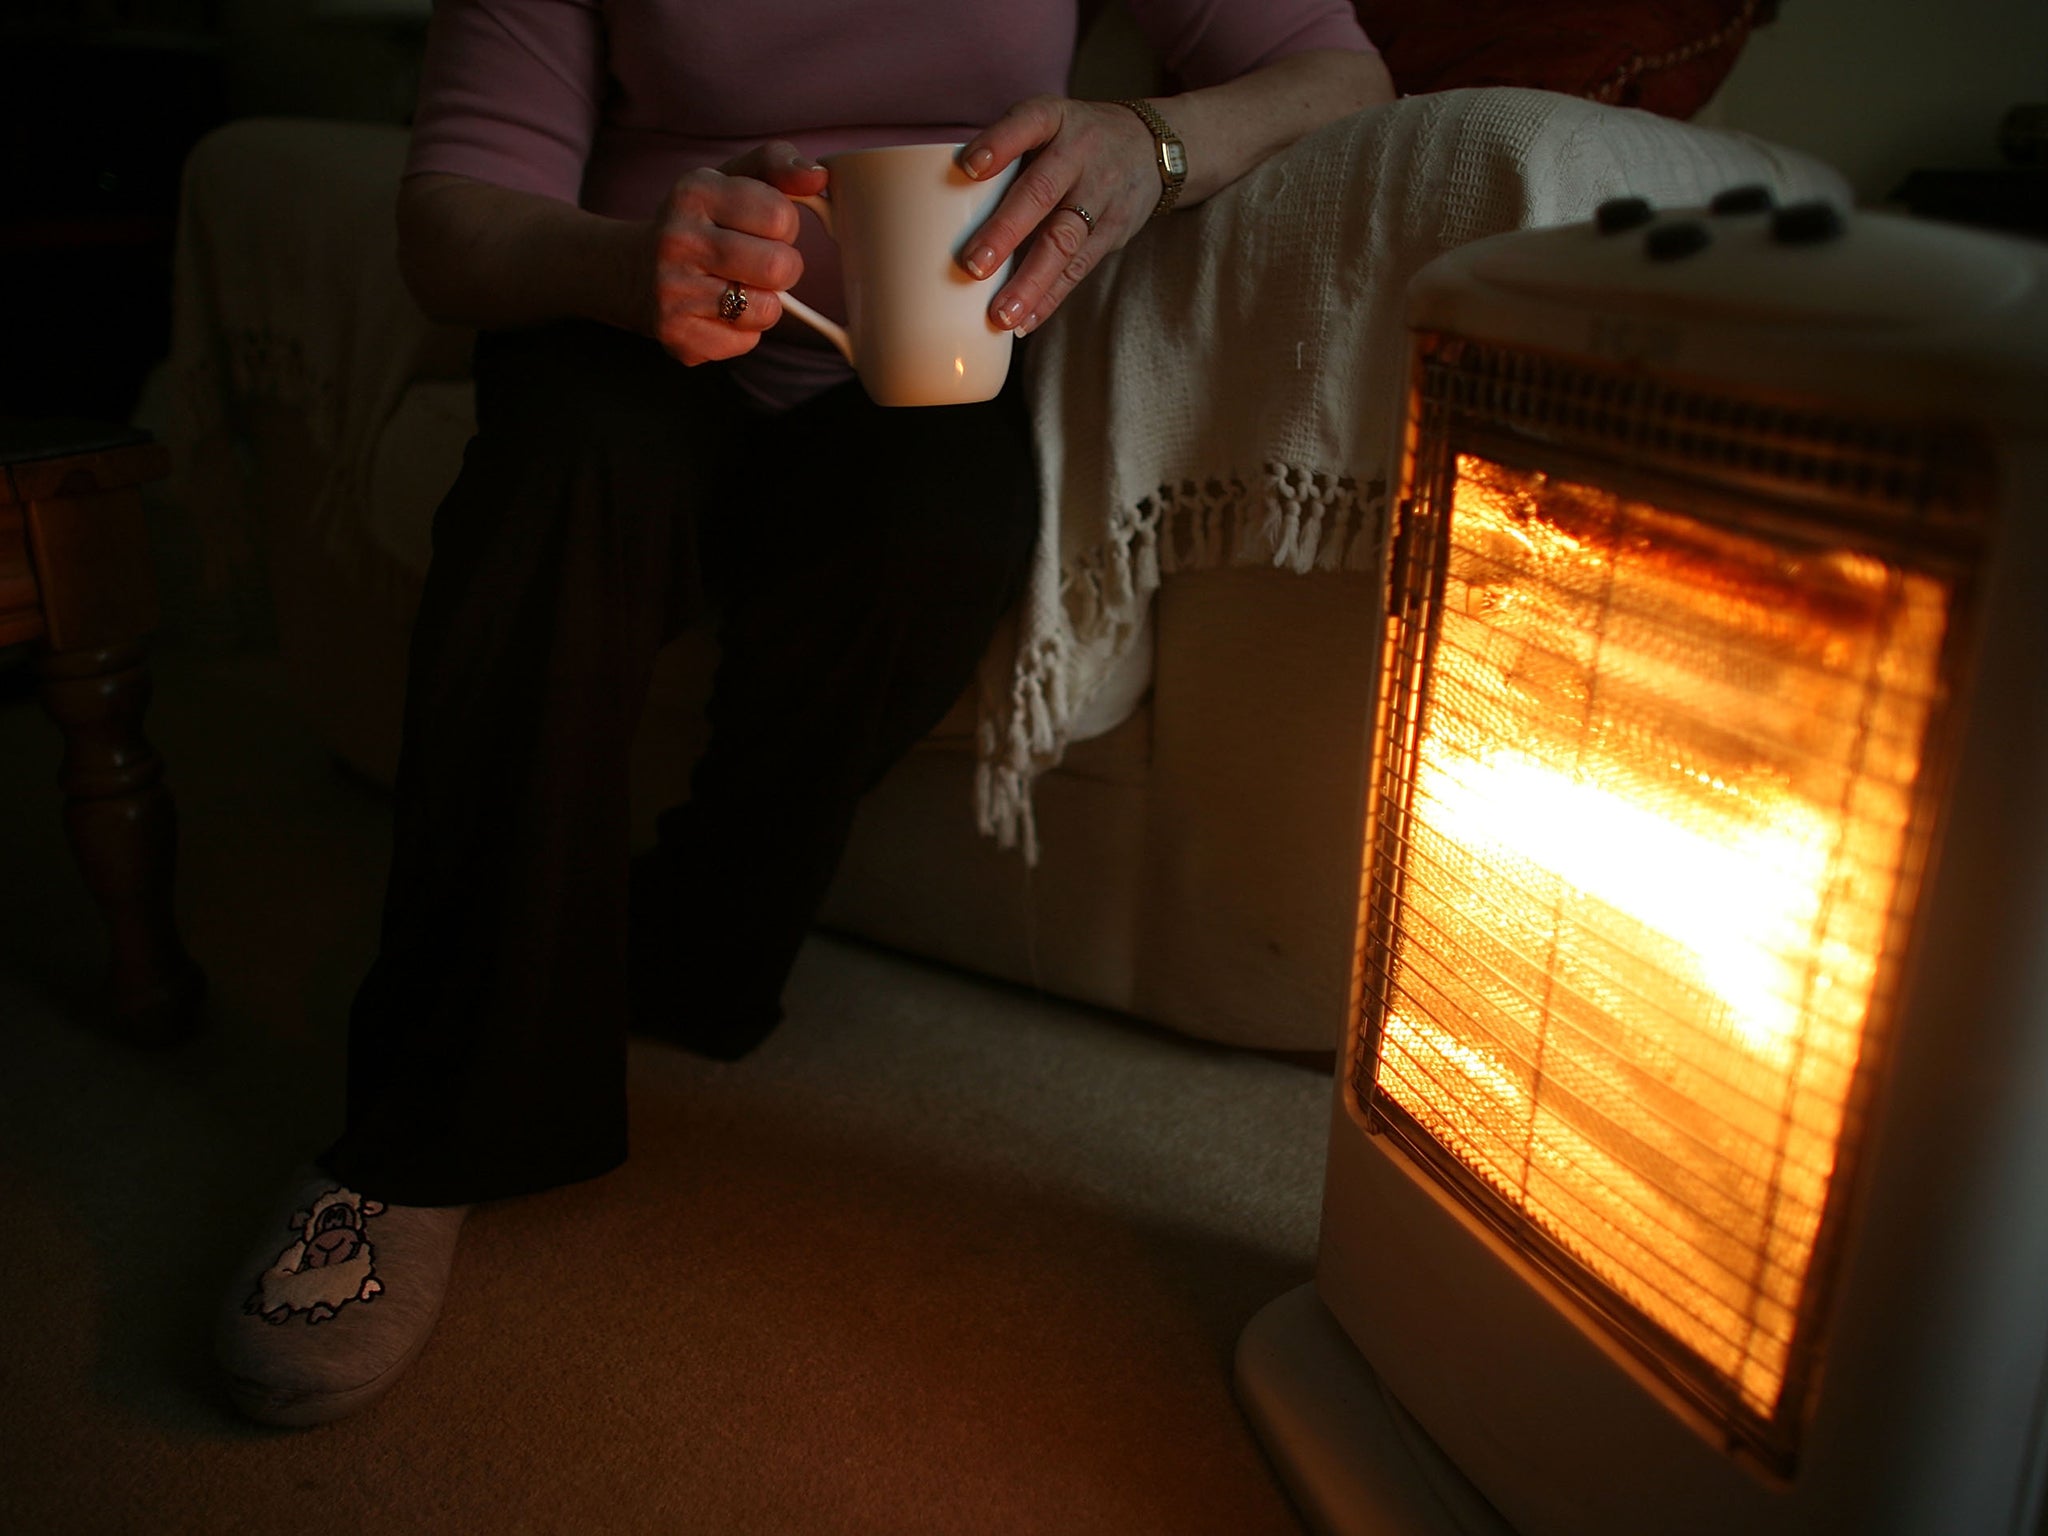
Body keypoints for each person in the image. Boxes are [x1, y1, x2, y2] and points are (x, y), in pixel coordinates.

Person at [214, 0, 1393, 1427]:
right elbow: (453, 215)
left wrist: (1153, 141)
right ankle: (418, 1135)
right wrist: (625, 259)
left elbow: (1337, 72)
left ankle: (693, 939)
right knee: (567, 476)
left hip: (912, 358)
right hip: (621, 329)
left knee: (944, 527)